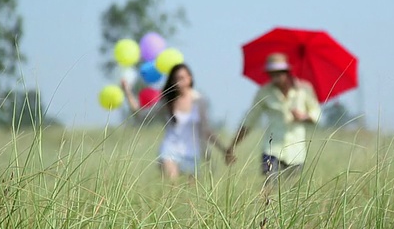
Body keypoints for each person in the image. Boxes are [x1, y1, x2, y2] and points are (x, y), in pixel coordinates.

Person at [225, 53, 321, 184]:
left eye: (279, 73)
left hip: (296, 151)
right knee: (269, 186)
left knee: (291, 191)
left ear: (286, 72)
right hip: (271, 149)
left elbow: (316, 114)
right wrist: (233, 146)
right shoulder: (264, 92)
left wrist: (303, 116)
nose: (275, 77)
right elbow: (249, 121)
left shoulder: (304, 90)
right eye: (272, 73)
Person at [121, 63, 226, 181]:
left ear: (190, 79)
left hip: (192, 154)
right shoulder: (167, 102)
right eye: (175, 79)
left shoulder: (199, 102)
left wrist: (223, 150)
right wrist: (127, 92)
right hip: (170, 151)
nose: (178, 82)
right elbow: (140, 114)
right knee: (173, 186)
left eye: (182, 78)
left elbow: (206, 131)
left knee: (189, 196)